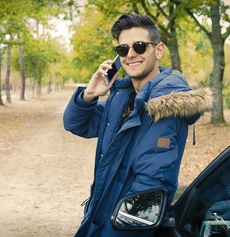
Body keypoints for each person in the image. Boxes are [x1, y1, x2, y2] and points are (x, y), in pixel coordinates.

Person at [63, 14, 213, 237]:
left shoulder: (164, 106)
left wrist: (112, 231)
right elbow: (76, 124)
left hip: (121, 226)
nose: (130, 54)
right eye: (123, 49)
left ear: (158, 50)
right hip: (100, 217)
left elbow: (151, 187)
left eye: (140, 46)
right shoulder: (122, 97)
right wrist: (89, 94)